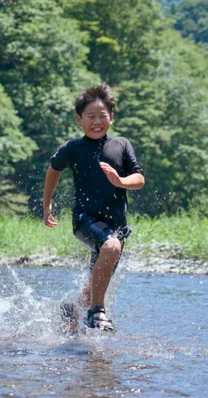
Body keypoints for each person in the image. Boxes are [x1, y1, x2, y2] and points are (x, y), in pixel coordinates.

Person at [43, 84, 145, 331]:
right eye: (90, 116)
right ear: (79, 120)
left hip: (117, 226)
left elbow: (139, 179)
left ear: (112, 117)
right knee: (110, 247)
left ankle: (73, 313)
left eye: (102, 115)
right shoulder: (73, 148)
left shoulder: (121, 145)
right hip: (85, 219)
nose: (97, 121)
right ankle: (98, 312)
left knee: (95, 284)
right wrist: (47, 205)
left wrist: (121, 181)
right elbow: (53, 170)